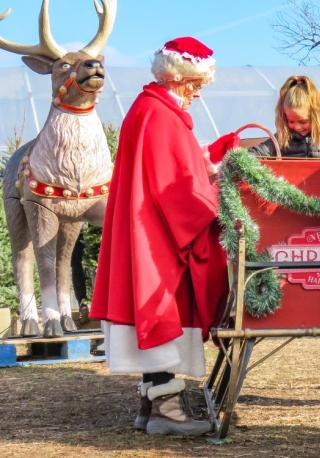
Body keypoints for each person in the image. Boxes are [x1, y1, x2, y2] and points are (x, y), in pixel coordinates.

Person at [90, 37, 235, 436]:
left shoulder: (149, 110)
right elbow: (175, 189)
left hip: (149, 233)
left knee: (155, 315)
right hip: (159, 240)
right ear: (175, 76)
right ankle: (164, 411)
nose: (197, 91)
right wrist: (216, 214)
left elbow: (173, 170)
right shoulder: (160, 115)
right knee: (161, 311)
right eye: (194, 83)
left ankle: (151, 404)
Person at [250, 75, 320, 159]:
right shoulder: (282, 139)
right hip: (290, 186)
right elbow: (257, 153)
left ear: (316, 116)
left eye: (303, 121)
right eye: (291, 121)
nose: (297, 127)